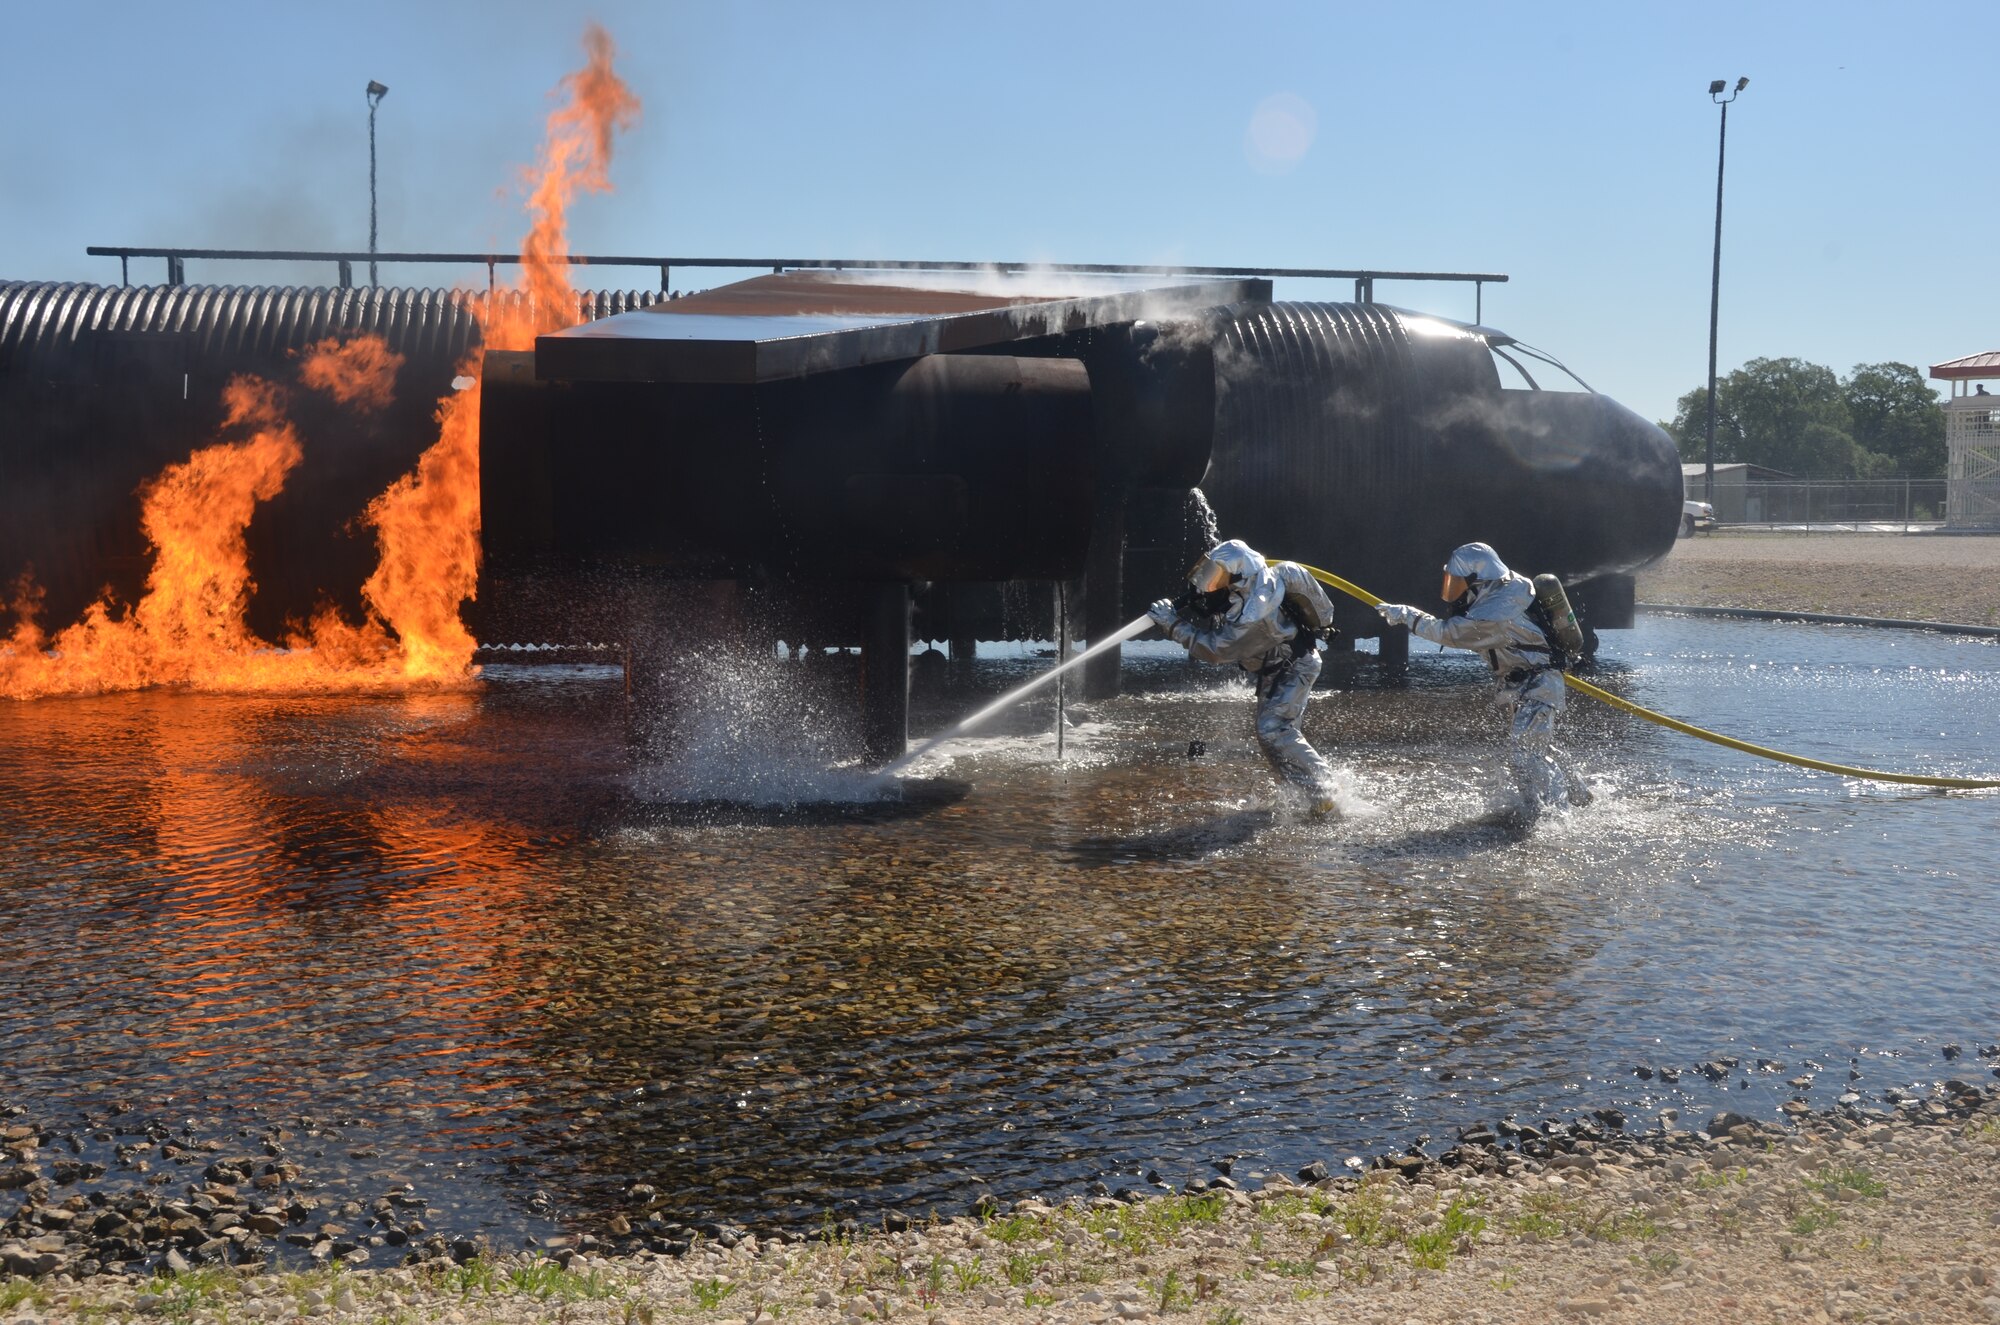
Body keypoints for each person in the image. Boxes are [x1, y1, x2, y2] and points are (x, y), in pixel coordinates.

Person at [1374, 541, 1588, 814]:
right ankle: (1574, 797)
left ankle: (1559, 817)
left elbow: (1450, 634)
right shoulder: (1505, 590)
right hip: (1520, 684)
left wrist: (1407, 615)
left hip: (1538, 685)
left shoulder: (1495, 612)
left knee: (1526, 752)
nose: (1453, 589)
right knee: (1534, 748)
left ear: (1480, 579)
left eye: (1457, 581)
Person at [1148, 539, 1344, 813]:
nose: (1211, 584)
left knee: (1274, 729)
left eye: (1218, 577)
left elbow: (1216, 650)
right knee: (1271, 735)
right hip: (1277, 668)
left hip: (1294, 667)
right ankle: (1304, 795)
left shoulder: (1255, 613)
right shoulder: (1255, 586)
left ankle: (1325, 791)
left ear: (1240, 576)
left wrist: (1173, 624)